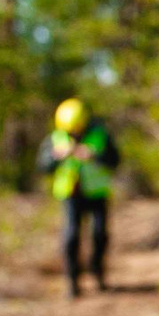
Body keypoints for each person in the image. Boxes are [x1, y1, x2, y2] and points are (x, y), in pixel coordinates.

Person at [38, 97, 119, 297]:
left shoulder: (100, 135)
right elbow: (43, 166)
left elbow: (115, 160)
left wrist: (94, 156)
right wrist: (56, 157)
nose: (73, 132)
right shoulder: (55, 138)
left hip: (97, 193)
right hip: (71, 195)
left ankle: (98, 272)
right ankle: (72, 281)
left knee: (99, 235)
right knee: (71, 236)